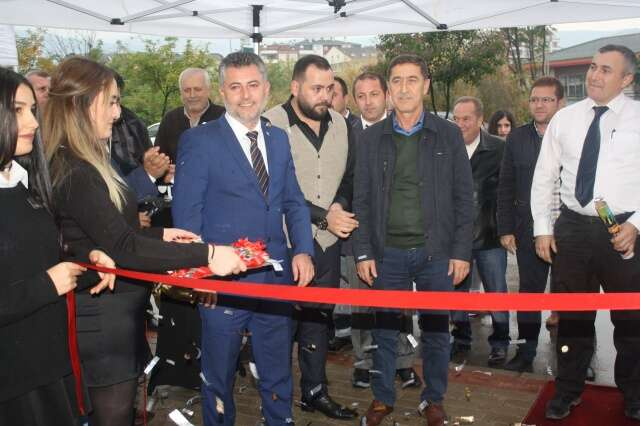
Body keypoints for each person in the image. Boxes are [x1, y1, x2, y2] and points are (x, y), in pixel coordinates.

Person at [43, 56, 247, 426]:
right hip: (102, 324)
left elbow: (115, 233)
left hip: (118, 317)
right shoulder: (75, 169)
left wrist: (160, 233)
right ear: (82, 104)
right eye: (111, 102)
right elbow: (124, 247)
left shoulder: (89, 160)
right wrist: (208, 254)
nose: (118, 113)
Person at [172, 51, 315, 426]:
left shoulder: (279, 138)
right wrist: (200, 273)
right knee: (218, 377)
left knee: (278, 373)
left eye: (253, 85)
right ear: (222, 92)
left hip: (276, 280)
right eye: (235, 87)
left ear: (266, 88)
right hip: (222, 283)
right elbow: (187, 217)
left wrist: (303, 250)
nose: (245, 95)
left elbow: (293, 201)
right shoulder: (199, 141)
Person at [353, 54, 473, 426]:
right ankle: (382, 398)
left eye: (411, 80)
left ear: (426, 85)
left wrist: (461, 251)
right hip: (386, 253)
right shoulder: (370, 138)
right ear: (389, 88)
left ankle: (433, 399)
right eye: (397, 81)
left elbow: (464, 197)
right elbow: (361, 199)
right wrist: (362, 251)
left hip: (437, 253)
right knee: (385, 330)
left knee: (437, 332)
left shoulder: (448, 133)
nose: (404, 88)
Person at [0, 67, 116, 425]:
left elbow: (36, 259)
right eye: (18, 110)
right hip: (13, 381)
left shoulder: (25, 181)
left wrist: (86, 262)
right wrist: (47, 284)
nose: (34, 122)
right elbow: (39, 281)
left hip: (50, 364)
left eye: (33, 109)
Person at [531, 44, 640, 421]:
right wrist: (542, 229)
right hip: (573, 229)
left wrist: (636, 225)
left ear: (626, 79)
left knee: (631, 321)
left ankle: (635, 393)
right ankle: (568, 389)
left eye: (606, 70)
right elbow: (544, 176)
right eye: (593, 67)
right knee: (573, 319)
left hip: (623, 229)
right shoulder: (566, 119)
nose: (594, 75)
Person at [264, 54, 358, 421]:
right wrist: (323, 216)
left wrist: (339, 206)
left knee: (318, 321)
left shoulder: (341, 123)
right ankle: (275, 400)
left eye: (329, 88)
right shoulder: (270, 124)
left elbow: (349, 176)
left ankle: (315, 391)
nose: (325, 96)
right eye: (316, 88)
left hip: (328, 244)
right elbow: (271, 189)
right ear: (295, 87)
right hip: (285, 242)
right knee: (280, 325)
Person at [347, 71, 419, 390]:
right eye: (361, 96)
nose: (368, 102)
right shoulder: (346, 134)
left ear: (386, 95)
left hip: (400, 236)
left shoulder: (405, 129)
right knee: (362, 304)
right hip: (360, 232)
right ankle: (364, 362)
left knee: (399, 303)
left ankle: (403, 361)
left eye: (374, 94)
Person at [497, 76, 565, 373]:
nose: (539, 105)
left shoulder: (574, 135)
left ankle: (574, 357)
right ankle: (526, 353)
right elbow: (506, 185)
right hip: (529, 230)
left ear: (560, 103)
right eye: (534, 99)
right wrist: (505, 228)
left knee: (571, 297)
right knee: (529, 294)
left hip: (569, 230)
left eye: (546, 99)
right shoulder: (517, 138)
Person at [450, 96, 509, 366]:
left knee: (496, 291)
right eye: (456, 119)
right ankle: (460, 339)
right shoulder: (447, 147)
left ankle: (500, 342)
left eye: (466, 118)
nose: (460, 124)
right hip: (455, 237)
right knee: (456, 292)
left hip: (490, 236)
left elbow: (508, 192)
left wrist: (507, 229)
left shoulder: (499, 149)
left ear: (481, 120)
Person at [156, 67, 225, 163]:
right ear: (181, 92)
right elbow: (159, 159)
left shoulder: (224, 118)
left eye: (197, 89)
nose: (192, 95)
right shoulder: (170, 119)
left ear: (208, 90)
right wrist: (166, 169)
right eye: (187, 90)